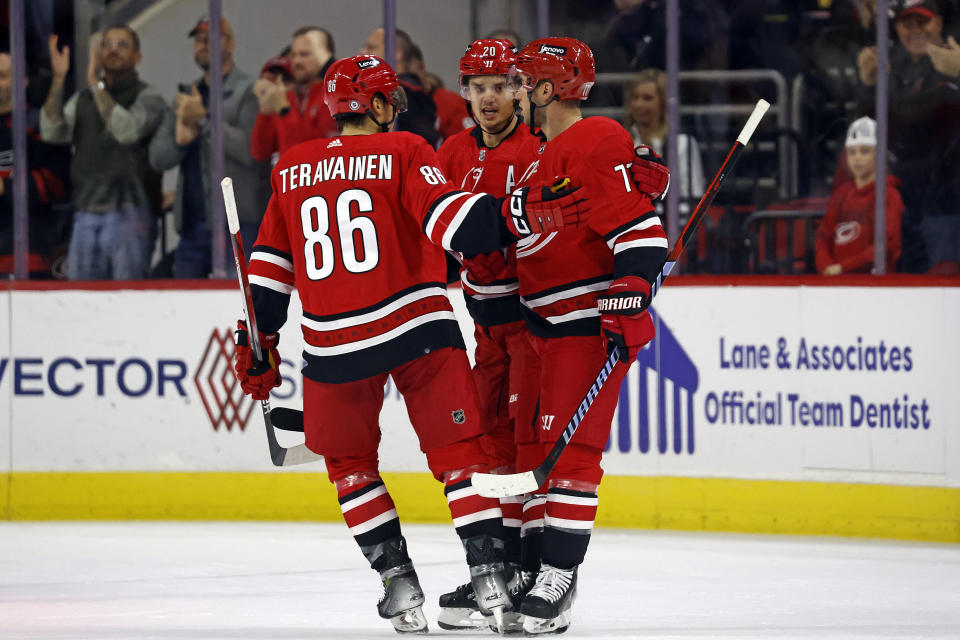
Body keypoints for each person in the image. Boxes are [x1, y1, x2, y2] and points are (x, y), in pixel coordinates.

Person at [231, 54, 589, 633]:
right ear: (374, 105)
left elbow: (269, 275)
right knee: (461, 458)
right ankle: (491, 578)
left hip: (333, 347)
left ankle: (399, 587)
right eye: (389, 102)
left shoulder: (290, 168)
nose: (396, 112)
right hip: (417, 329)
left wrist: (259, 346)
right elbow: (458, 228)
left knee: (349, 466)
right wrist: (527, 212)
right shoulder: (406, 151)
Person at [508, 37, 667, 635]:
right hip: (536, 326)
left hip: (582, 323)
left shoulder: (596, 139)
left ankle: (560, 572)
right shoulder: (536, 154)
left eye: (526, 82)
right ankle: (530, 567)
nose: (519, 91)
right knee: (531, 454)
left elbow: (641, 236)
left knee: (572, 455)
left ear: (548, 89)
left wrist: (629, 290)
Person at [434, 38, 544, 632]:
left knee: (527, 444)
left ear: (522, 89)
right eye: (478, 87)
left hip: (530, 322)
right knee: (488, 446)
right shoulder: (450, 151)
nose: (489, 97)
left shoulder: (539, 150)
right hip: (483, 326)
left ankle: (531, 568)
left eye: (500, 85)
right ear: (465, 94)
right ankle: (497, 573)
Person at [41, 25, 167, 280]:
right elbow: (51, 131)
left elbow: (127, 130)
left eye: (122, 44)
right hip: (85, 212)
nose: (113, 50)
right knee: (83, 303)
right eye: (107, 44)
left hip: (131, 212)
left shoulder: (148, 96)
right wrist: (58, 78)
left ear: (138, 56)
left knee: (128, 300)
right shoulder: (84, 99)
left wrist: (95, 84)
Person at [149, 16, 268, 278]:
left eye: (211, 38)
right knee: (184, 309)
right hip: (192, 224)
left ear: (231, 44)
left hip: (237, 223)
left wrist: (204, 120)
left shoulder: (249, 91)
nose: (203, 45)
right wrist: (180, 144)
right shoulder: (186, 94)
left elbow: (253, 151)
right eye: (198, 40)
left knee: (238, 306)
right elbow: (158, 157)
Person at [856, 0, 960, 271]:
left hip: (945, 196)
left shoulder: (953, 60)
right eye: (907, 23)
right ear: (896, 27)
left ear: (937, 23)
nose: (915, 31)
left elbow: (930, 113)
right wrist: (867, 87)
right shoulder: (889, 65)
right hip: (900, 196)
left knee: (943, 276)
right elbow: (866, 126)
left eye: (922, 22)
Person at [0, 51, 69, 277]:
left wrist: (5, 187)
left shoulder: (39, 124)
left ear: (23, 81)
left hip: (27, 247)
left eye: (2, 76)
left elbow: (58, 182)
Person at [816, 117, 903, 275]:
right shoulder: (841, 194)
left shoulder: (890, 195)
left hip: (876, 285)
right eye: (852, 152)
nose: (857, 157)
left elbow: (887, 245)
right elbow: (824, 236)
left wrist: (843, 268)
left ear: (880, 155)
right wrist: (826, 267)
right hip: (837, 282)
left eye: (864, 151)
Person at [624, 68, 704, 223]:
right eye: (635, 97)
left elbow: (693, 198)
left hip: (673, 230)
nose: (639, 104)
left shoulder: (682, 144)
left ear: (663, 103)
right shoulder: (619, 143)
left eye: (647, 98)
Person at [249, 26, 337, 164]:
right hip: (287, 183)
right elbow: (260, 152)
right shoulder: (288, 96)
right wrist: (265, 114)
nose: (296, 61)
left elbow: (315, 155)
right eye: (294, 55)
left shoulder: (335, 96)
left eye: (304, 55)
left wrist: (284, 111)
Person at [360, 28, 440, 146]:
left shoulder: (407, 93)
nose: (362, 52)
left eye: (371, 47)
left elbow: (423, 140)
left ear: (396, 53)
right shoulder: (410, 90)